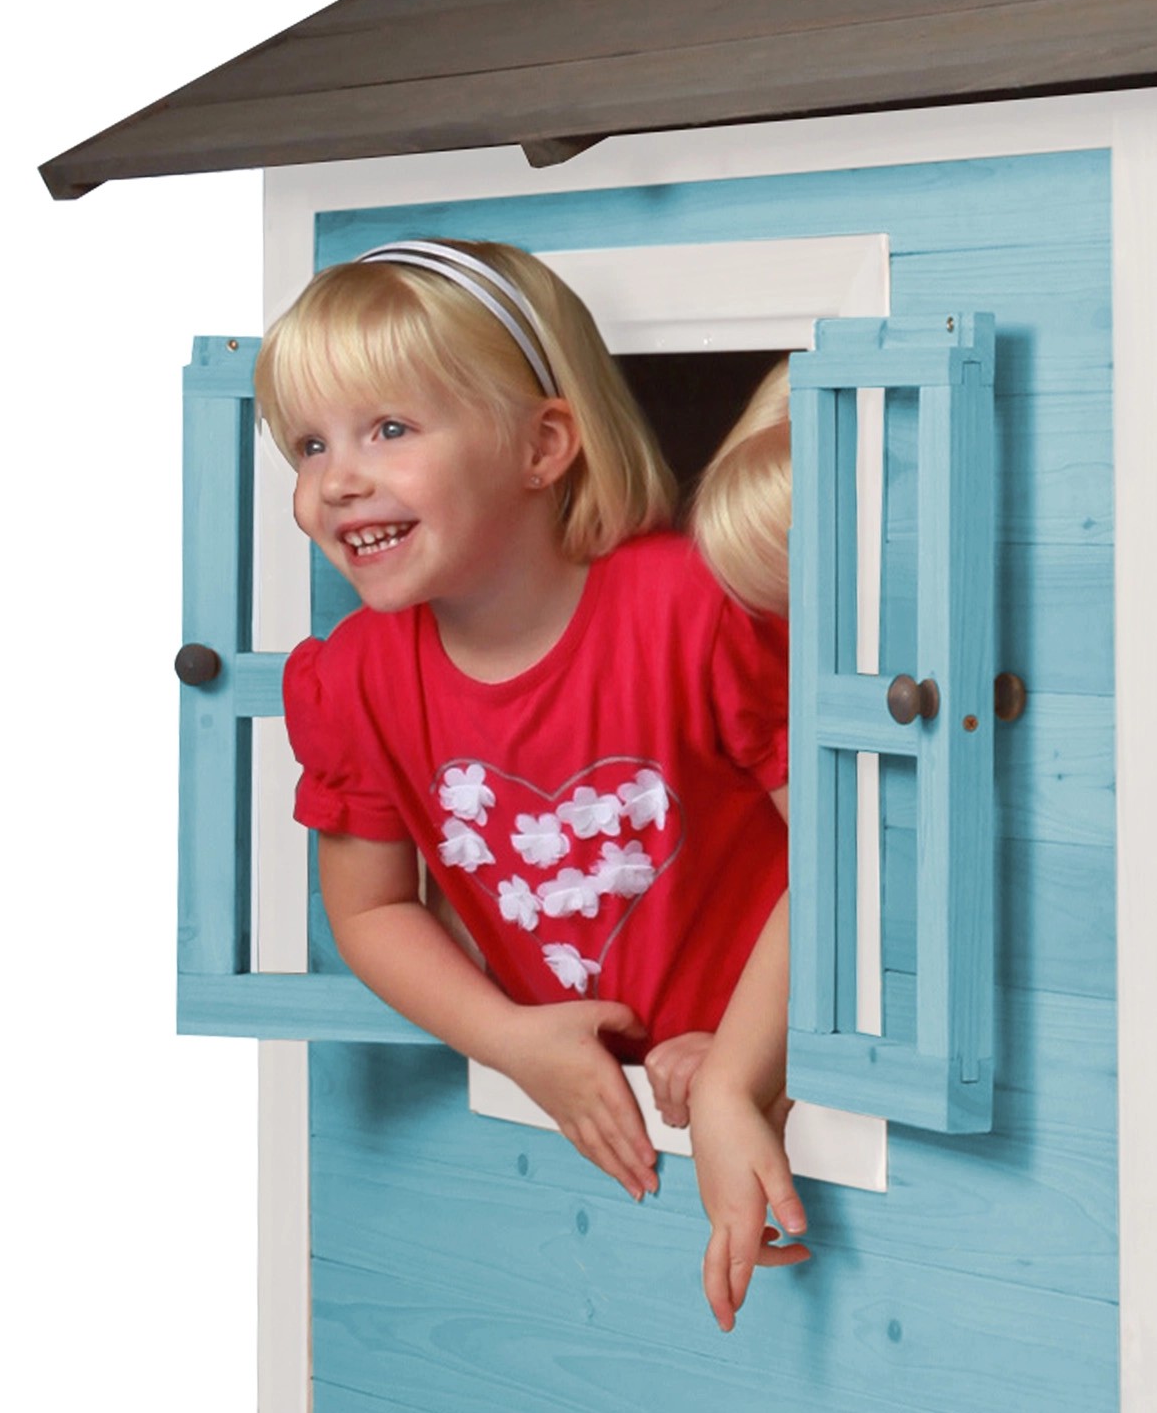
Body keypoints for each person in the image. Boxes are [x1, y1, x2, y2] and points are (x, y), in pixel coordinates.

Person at [254, 238, 804, 1332]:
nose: (335, 479)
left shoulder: (694, 609)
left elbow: (851, 853)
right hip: (631, 1069)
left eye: (389, 430)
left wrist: (745, 1066)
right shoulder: (355, 675)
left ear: (543, 444)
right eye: (308, 444)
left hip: (782, 1028)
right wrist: (511, 1040)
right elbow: (368, 909)